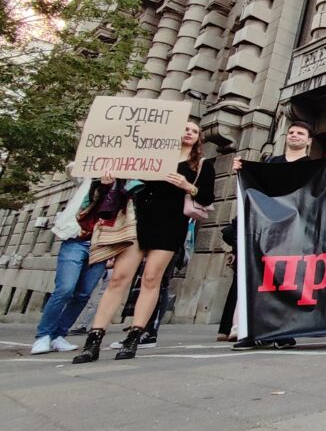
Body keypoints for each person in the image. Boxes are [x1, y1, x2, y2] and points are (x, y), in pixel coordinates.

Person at [73, 120, 215, 363]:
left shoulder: (202, 165)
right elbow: (126, 185)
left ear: (199, 139)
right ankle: (94, 339)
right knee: (119, 278)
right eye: (185, 128)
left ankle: (134, 337)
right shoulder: (151, 156)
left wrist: (187, 186)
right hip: (138, 219)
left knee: (151, 279)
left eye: (194, 131)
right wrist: (108, 181)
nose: (189, 133)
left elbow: (207, 197)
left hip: (170, 223)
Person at [231, 121, 326, 350]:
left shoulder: (312, 165)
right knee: (264, 280)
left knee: (291, 280)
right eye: (291, 132)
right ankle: (257, 330)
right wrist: (242, 170)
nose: (295, 136)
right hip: (269, 232)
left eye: (300, 133)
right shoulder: (270, 164)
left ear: (309, 141)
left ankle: (285, 329)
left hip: (297, 233)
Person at [30, 166, 106, 355]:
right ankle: (43, 335)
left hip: (102, 245)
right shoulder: (90, 178)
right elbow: (72, 168)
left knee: (83, 294)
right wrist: (99, 165)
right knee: (65, 289)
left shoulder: (128, 186)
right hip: (76, 240)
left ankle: (58, 335)